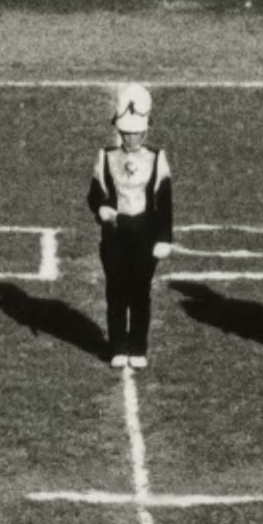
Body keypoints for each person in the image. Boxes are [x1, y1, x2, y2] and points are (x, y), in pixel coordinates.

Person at [87, 83, 175, 368]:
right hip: (116, 234)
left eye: (136, 132)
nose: (132, 138)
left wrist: (164, 237)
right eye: (126, 133)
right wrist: (101, 207)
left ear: (145, 131)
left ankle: (138, 346)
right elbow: (95, 192)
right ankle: (117, 346)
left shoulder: (157, 158)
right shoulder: (106, 156)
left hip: (145, 234)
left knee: (140, 291)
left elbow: (164, 201)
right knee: (116, 290)